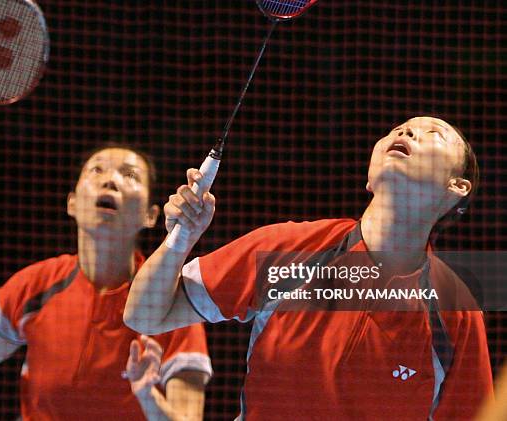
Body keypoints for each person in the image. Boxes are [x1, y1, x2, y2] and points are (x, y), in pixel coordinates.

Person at [124, 116, 493, 420]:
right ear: (370, 178)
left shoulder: (454, 310)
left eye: (433, 133)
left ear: (457, 187)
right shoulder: (288, 250)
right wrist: (180, 239)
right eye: (398, 129)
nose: (405, 131)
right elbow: (144, 315)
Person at [0, 145, 213, 420]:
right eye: (97, 170)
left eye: (129, 175)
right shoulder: (38, 285)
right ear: (72, 203)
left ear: (150, 215)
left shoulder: (170, 303)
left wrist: (147, 394)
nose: (110, 180)